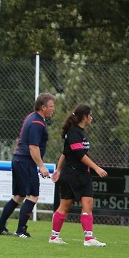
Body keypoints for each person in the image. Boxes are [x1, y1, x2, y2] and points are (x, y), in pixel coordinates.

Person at [0, 93, 56, 237]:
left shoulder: (32, 117)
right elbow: (33, 147)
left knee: (19, 195)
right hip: (26, 161)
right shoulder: (37, 123)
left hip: (19, 160)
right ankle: (21, 231)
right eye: (51, 106)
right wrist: (42, 166)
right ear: (43, 107)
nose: (53, 109)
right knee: (33, 195)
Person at [48, 104, 108, 246]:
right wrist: (96, 168)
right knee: (65, 206)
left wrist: (58, 169)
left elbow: (65, 152)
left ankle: (89, 238)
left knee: (88, 203)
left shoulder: (81, 132)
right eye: (90, 115)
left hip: (83, 175)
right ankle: (54, 237)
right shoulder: (74, 132)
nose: (92, 118)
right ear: (84, 117)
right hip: (71, 174)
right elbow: (79, 154)